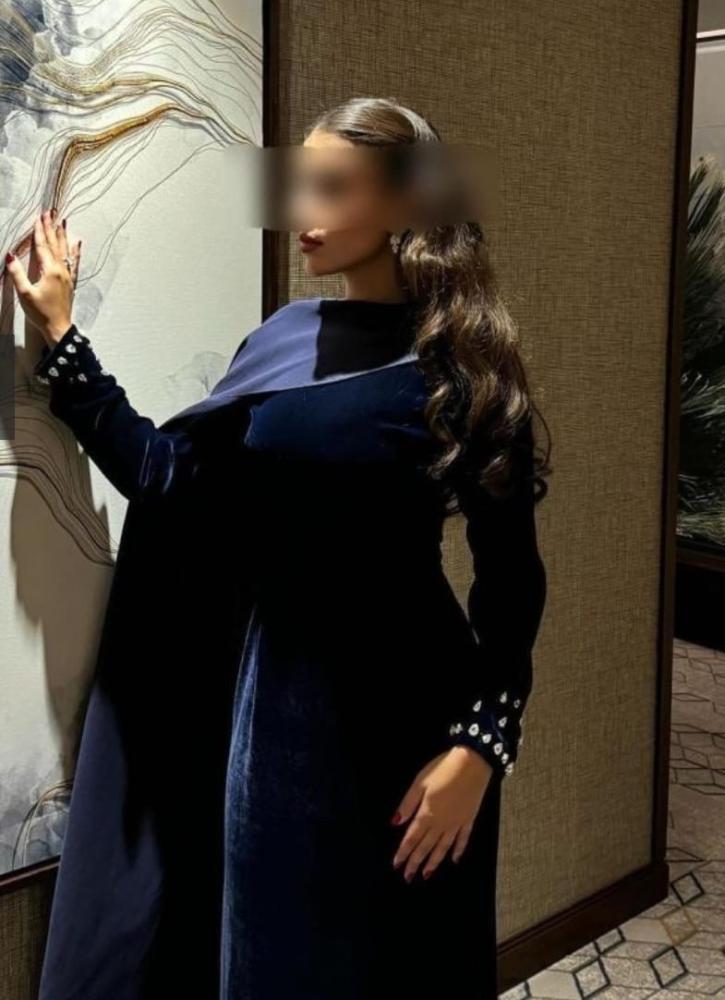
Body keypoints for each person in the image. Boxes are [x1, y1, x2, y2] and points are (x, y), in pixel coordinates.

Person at [5, 97, 549, 999]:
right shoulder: (283, 338)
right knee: (275, 957)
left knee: (409, 963)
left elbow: (512, 583)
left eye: (330, 188)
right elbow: (171, 481)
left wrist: (481, 746)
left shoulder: (465, 371)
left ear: (403, 204)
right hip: (282, 722)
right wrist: (64, 341)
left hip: (421, 724)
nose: (302, 212)